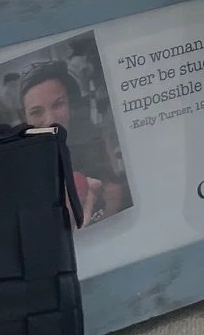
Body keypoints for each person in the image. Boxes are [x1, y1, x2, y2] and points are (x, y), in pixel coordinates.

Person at [19, 58, 130, 226]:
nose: (50, 120)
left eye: (58, 104)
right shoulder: (20, 172)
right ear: (24, 118)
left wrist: (111, 205)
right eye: (36, 112)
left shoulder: (96, 145)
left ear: (71, 105)